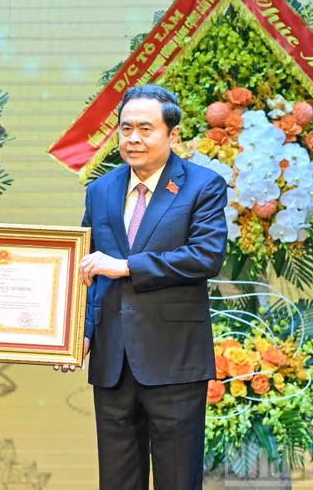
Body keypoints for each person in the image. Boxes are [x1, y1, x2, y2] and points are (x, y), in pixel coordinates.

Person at [61, 84, 228, 490]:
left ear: (172, 135)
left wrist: (126, 266)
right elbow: (87, 268)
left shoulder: (202, 185)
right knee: (117, 481)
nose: (133, 138)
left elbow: (206, 256)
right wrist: (77, 333)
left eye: (145, 129)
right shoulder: (100, 189)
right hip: (112, 360)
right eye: (125, 128)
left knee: (176, 479)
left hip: (173, 360)